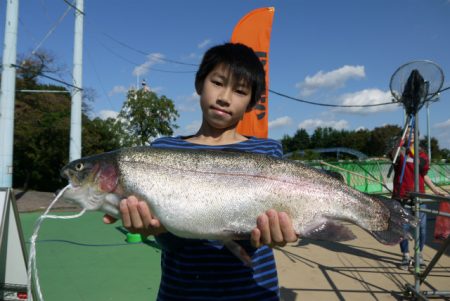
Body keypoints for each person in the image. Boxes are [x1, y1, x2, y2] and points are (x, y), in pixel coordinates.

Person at [103, 43, 299, 300]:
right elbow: (172, 243)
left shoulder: (267, 151)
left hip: (252, 294)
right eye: (217, 82)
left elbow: (262, 237)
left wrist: (276, 234)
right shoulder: (162, 150)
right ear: (199, 84)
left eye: (240, 91)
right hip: (182, 293)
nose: (225, 97)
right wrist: (156, 230)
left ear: (252, 103)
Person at [390, 126, 446, 270]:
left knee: (421, 229)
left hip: (419, 196)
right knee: (403, 228)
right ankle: (406, 255)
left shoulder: (421, 155)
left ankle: (418, 254)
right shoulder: (399, 152)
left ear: (417, 136)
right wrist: (400, 144)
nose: (410, 135)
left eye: (413, 133)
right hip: (401, 195)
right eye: (407, 133)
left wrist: (434, 190)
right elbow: (392, 156)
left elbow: (424, 175)